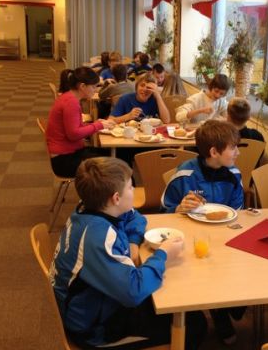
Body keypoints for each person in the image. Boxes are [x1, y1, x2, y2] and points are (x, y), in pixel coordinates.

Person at [50, 157, 207, 349]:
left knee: (177, 301)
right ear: (116, 198)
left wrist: (133, 242)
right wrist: (163, 255)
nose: (134, 190)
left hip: (103, 300)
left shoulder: (95, 207)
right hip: (95, 328)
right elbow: (133, 291)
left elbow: (135, 218)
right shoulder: (97, 238)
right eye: (131, 187)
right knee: (195, 324)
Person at [161, 120, 245, 345]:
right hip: (191, 239)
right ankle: (218, 312)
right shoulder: (185, 174)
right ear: (214, 152)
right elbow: (163, 211)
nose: (238, 152)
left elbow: (238, 210)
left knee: (238, 271)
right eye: (233, 148)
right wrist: (179, 208)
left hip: (224, 238)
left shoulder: (233, 174)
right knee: (199, 276)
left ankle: (224, 308)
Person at [46, 67, 115, 178]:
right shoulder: (71, 103)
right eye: (93, 87)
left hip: (66, 153)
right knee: (115, 164)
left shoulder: (68, 97)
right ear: (82, 86)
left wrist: (95, 124)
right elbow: (73, 134)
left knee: (114, 155)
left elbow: (75, 127)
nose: (95, 90)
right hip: (64, 160)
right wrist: (98, 125)